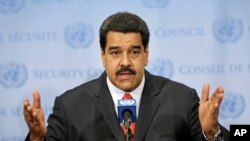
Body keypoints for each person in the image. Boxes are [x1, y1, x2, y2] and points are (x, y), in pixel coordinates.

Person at [23, 12, 229, 141]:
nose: (125, 62)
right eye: (115, 52)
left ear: (146, 54)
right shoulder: (69, 106)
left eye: (134, 52)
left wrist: (213, 134)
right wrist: (36, 138)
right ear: (102, 56)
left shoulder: (181, 98)